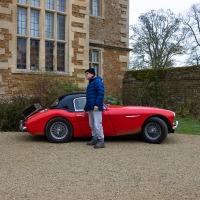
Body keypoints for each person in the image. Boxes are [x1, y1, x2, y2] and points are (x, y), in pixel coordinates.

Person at [83, 68, 105, 148]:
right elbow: (88, 98)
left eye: (87, 74)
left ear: (92, 74)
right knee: (92, 124)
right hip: (91, 107)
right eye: (86, 74)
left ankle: (101, 141)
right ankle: (95, 139)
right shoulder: (91, 83)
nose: (86, 75)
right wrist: (85, 109)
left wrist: (97, 105)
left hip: (96, 108)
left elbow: (101, 93)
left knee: (97, 124)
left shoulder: (98, 82)